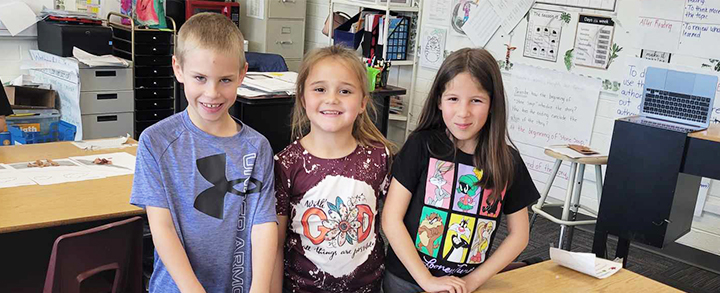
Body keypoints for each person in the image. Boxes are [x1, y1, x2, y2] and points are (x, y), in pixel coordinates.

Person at [130, 12, 277, 293]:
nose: (212, 93)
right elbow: (161, 227)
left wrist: (260, 288)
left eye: (225, 80)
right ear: (178, 69)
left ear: (242, 74)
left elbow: (263, 223)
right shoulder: (155, 142)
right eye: (200, 78)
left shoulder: (257, 147)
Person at [381, 48, 540, 293]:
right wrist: (427, 280)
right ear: (439, 100)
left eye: (476, 100)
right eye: (453, 99)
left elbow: (519, 236)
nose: (463, 112)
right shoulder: (421, 145)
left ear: (492, 104)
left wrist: (474, 280)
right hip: (407, 280)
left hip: (465, 287)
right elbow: (391, 219)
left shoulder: (508, 160)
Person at [271, 45, 394, 293]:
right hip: (302, 288)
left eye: (345, 91)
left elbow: (393, 222)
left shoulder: (380, 157)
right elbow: (275, 243)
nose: (332, 99)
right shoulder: (286, 163)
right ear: (304, 99)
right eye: (320, 89)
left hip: (368, 288)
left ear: (362, 103)